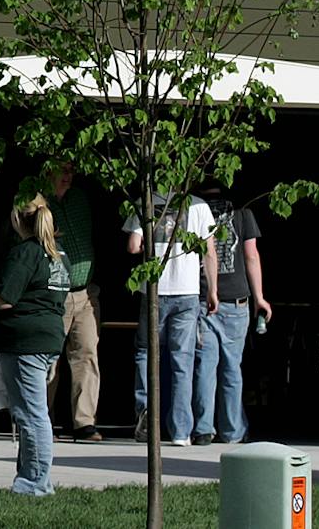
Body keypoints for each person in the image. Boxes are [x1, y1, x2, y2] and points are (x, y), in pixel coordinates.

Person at [0, 194, 71, 496]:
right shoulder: (59, 253)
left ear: (16, 219)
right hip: (49, 338)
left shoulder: (25, 252)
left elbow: (5, 297)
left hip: (24, 341)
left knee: (30, 414)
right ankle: (34, 477)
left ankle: (34, 483)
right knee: (35, 412)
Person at [124, 190, 218, 446]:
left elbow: (133, 246)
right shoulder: (198, 206)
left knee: (145, 353)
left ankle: (145, 417)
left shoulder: (145, 201)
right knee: (183, 361)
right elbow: (209, 251)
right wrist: (212, 290)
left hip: (153, 289)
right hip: (187, 291)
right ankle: (180, 432)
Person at [192, 183, 270, 444]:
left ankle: (203, 429)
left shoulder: (194, 212)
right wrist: (259, 298)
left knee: (205, 367)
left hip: (204, 299)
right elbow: (251, 256)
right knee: (231, 370)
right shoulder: (243, 214)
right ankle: (231, 431)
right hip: (236, 301)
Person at [42, 162, 102, 440]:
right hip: (55, 292)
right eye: (62, 170)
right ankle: (42, 419)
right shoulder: (38, 202)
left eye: (71, 171)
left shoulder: (79, 199)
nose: (68, 176)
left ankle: (84, 421)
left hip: (85, 291)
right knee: (49, 358)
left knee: (87, 354)